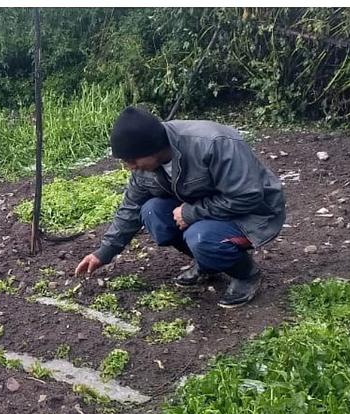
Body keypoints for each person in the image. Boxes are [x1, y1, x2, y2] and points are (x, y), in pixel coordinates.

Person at [75, 106, 286, 308]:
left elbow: (247, 196)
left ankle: (246, 274)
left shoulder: (213, 143)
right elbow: (130, 208)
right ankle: (208, 264)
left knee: (201, 237)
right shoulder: (145, 169)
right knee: (152, 212)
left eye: (132, 160)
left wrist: (191, 213)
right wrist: (103, 253)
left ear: (153, 148)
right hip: (209, 210)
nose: (130, 167)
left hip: (255, 214)